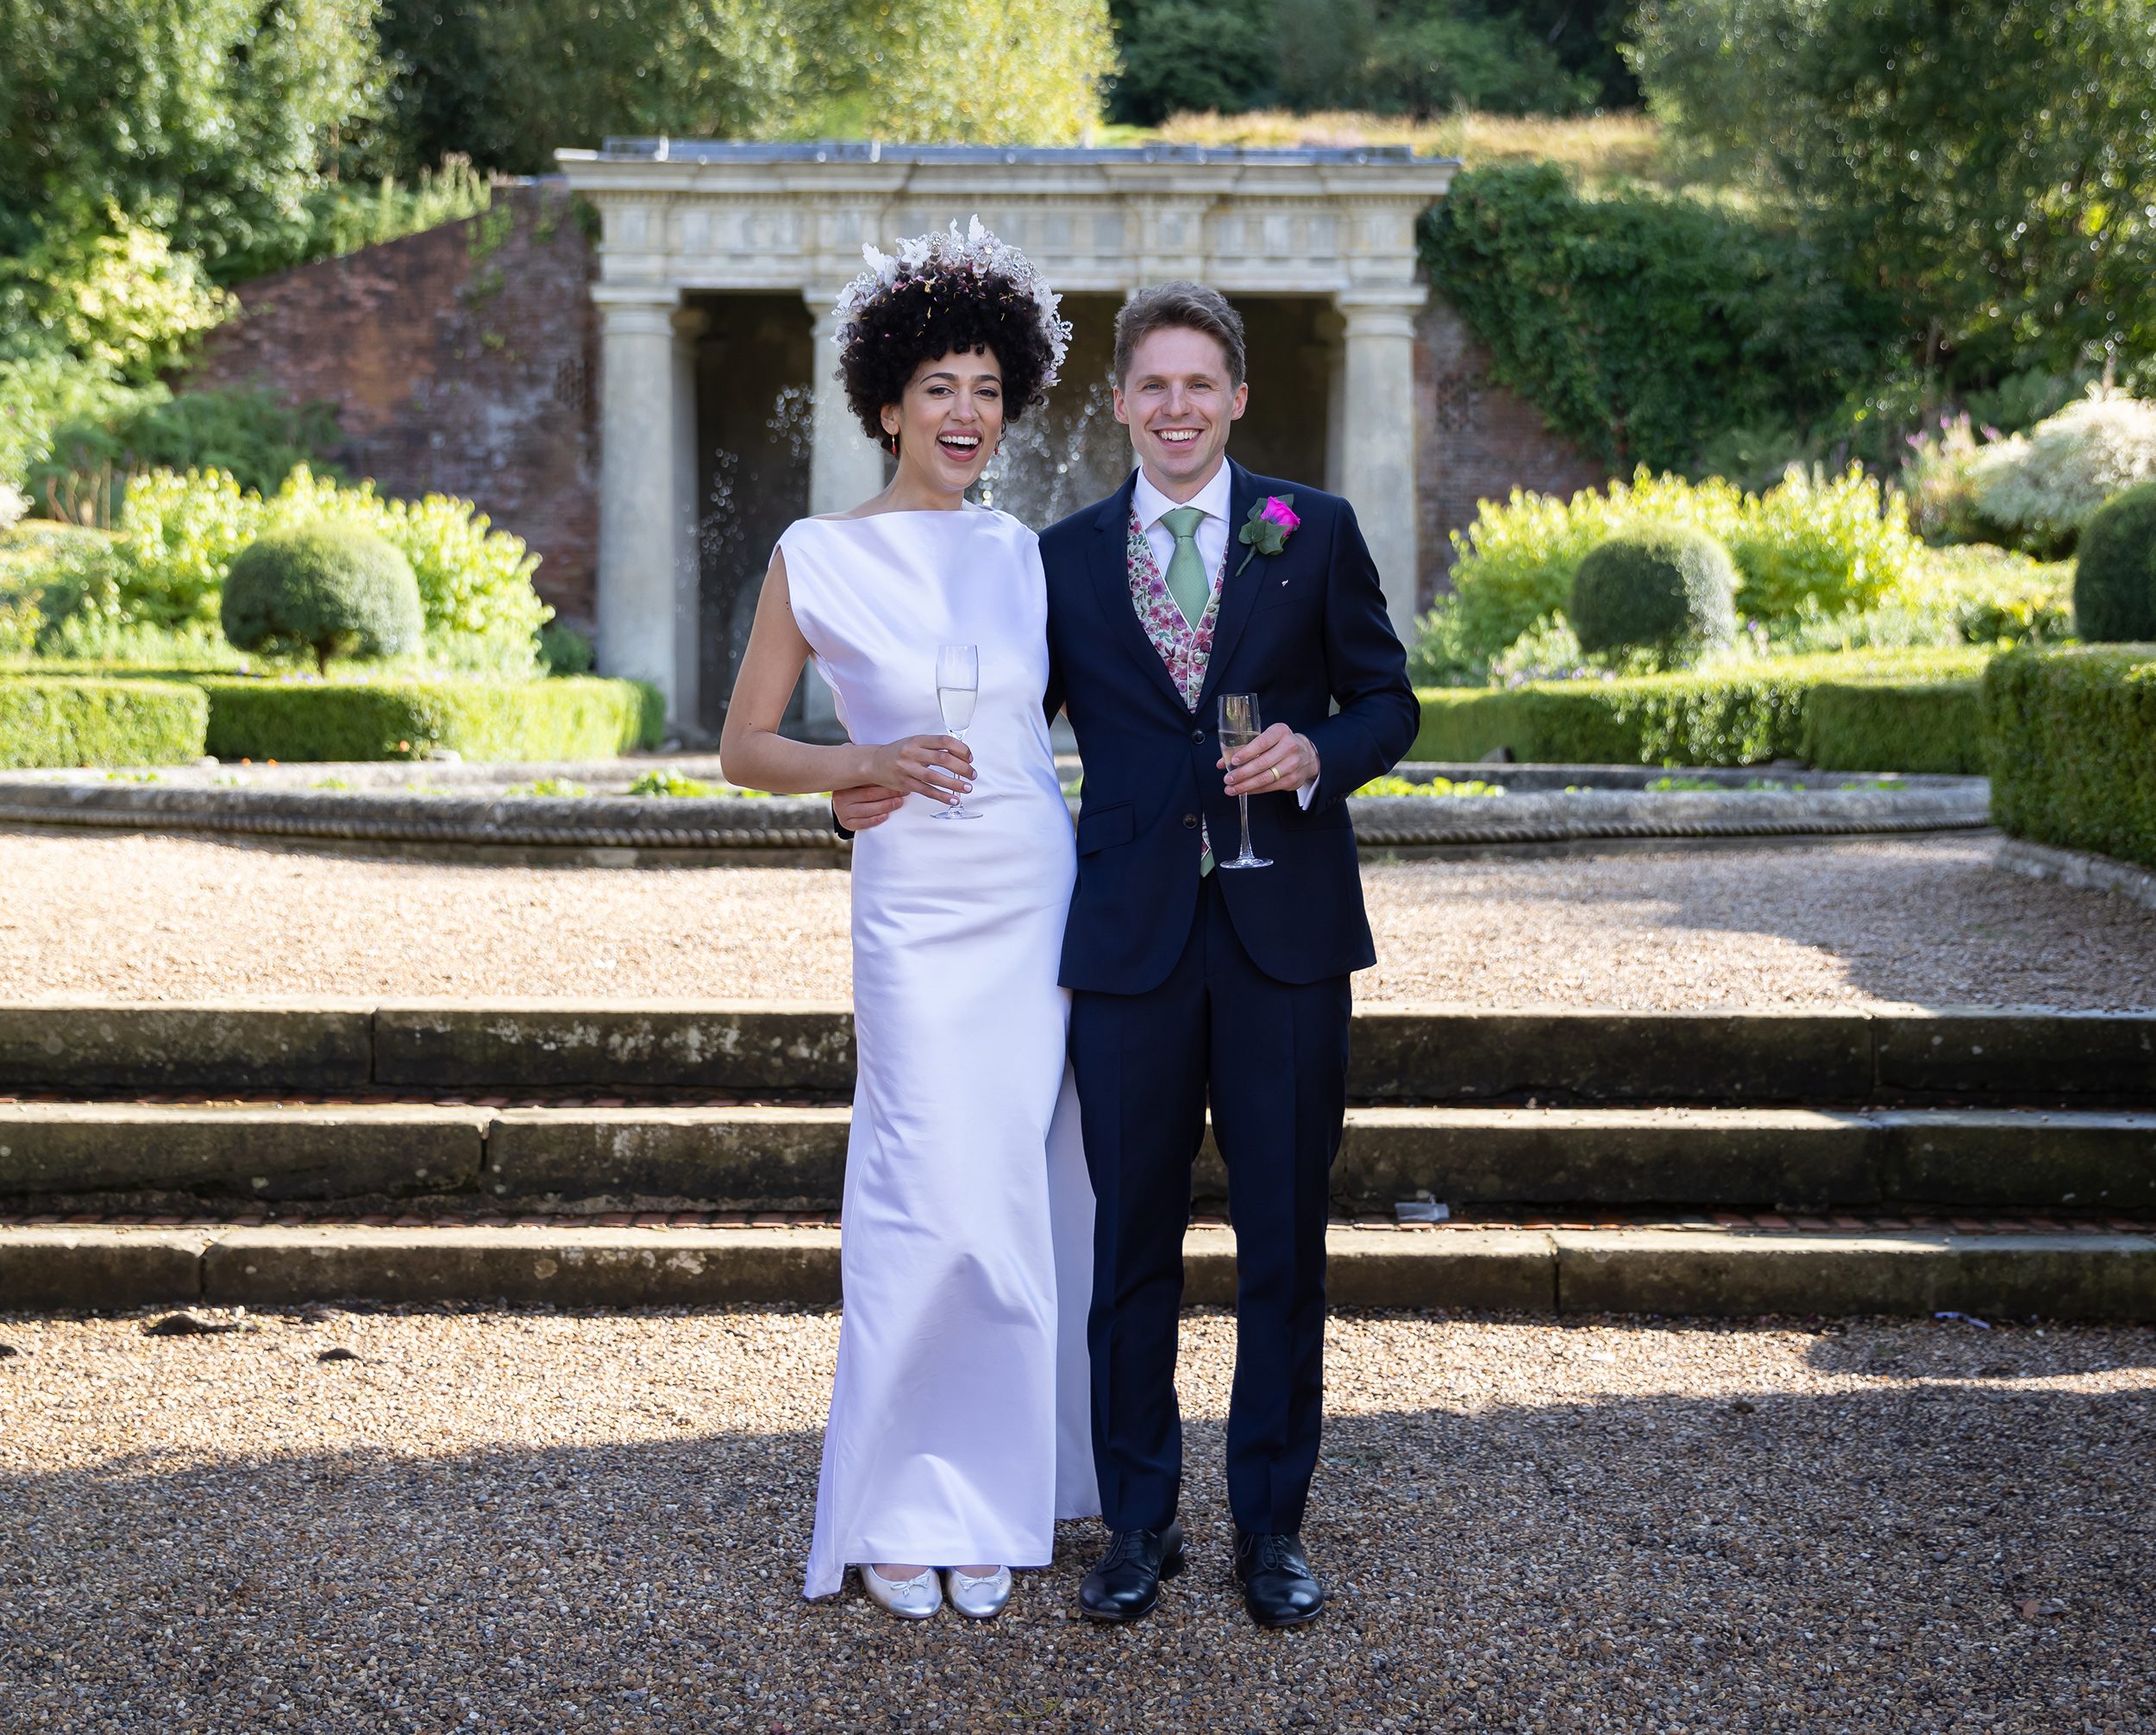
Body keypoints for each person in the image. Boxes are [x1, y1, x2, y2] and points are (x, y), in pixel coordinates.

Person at [837, 282, 1420, 1629]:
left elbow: (1390, 700)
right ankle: (1139, 1523)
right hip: (1126, 947)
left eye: (1198, 386)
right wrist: (862, 781)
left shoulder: (1313, 533)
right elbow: (976, 717)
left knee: (1286, 1242)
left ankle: (1271, 1528)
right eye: (1150, 385)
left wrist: (1323, 753)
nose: (1175, 407)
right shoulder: (1057, 562)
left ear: (1237, 399)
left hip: (1286, 942)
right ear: (1118, 402)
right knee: (1126, 1252)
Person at [720, 219, 1097, 1622]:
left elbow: (1068, 725)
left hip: (1029, 899)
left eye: (989, 388)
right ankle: (892, 1495)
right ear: (886, 400)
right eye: (939, 384)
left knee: (1007, 1191)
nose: (965, 411)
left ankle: (992, 1494)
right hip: (914, 910)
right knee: (916, 1186)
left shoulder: (1023, 556)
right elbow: (746, 745)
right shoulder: (814, 554)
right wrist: (852, 773)